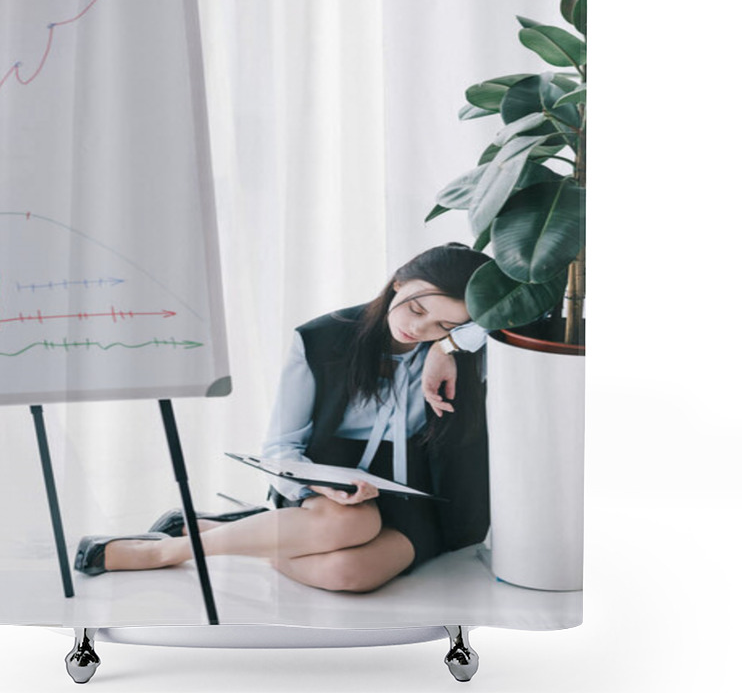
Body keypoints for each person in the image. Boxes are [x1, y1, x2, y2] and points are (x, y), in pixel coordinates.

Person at [74, 243, 490, 593]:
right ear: (398, 281)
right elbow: (281, 447)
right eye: (416, 308)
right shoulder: (321, 338)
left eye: (445, 324)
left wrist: (448, 347)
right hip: (328, 474)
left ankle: (246, 531)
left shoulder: (465, 353)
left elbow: (536, 312)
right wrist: (318, 483)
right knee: (350, 525)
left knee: (348, 574)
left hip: (414, 489)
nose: (419, 328)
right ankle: (164, 552)